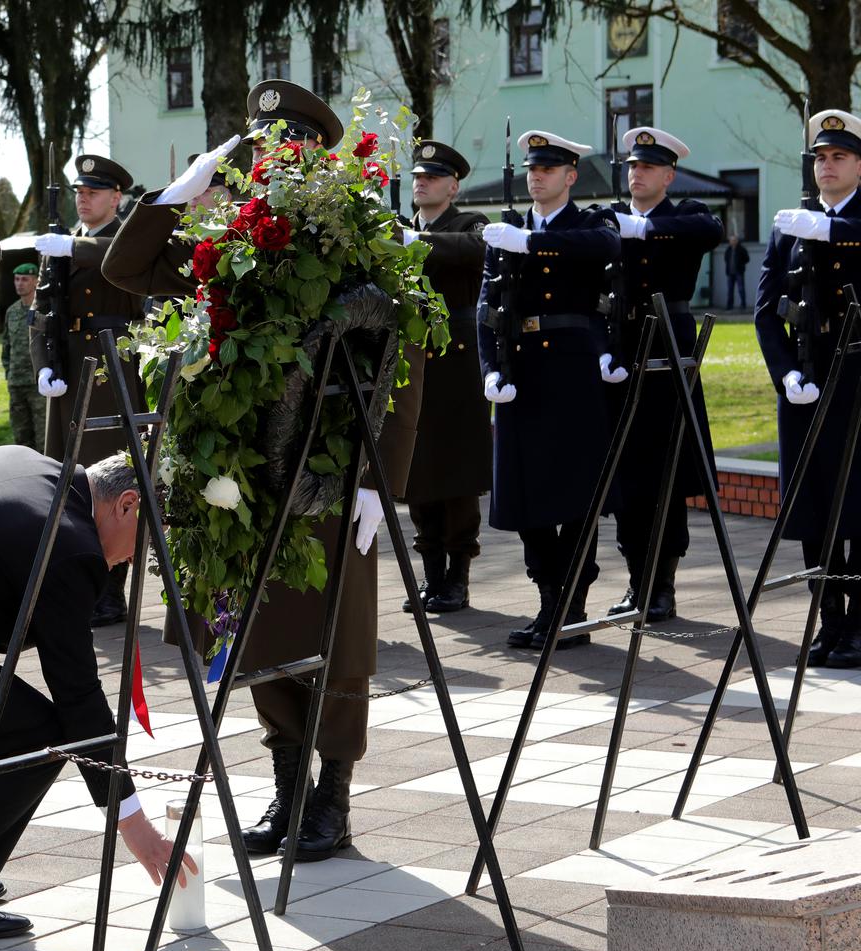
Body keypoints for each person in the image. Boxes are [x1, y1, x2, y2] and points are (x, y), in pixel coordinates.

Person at [102, 81, 421, 863]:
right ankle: (287, 790)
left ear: (315, 153)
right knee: (257, 628)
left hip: (329, 470)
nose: (272, 158)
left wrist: (380, 482)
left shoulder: (358, 231)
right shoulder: (232, 239)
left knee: (335, 635)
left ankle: (332, 798)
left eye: (287, 144)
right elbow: (126, 266)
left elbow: (403, 356)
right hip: (239, 475)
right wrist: (179, 192)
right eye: (260, 145)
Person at [0, 446, 193, 938]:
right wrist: (133, 823)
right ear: (127, 505)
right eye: (143, 543)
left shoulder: (31, 464)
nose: (133, 559)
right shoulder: (70, 544)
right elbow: (78, 695)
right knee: (39, 736)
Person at [478, 129, 621, 650]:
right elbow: (486, 306)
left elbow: (604, 246)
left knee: (577, 493)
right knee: (525, 494)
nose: (536, 177)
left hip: (571, 371)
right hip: (520, 371)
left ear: (570, 175)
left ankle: (571, 605)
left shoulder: (590, 223)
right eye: (532, 170)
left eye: (548, 169)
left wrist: (532, 243)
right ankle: (549, 597)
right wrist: (488, 369)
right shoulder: (508, 229)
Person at [601, 127, 723, 624]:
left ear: (669, 176)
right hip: (621, 345)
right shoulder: (610, 217)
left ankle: (663, 585)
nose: (638, 174)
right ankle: (637, 581)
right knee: (625, 472)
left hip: (669, 346)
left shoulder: (685, 214)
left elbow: (710, 230)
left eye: (648, 167)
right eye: (633, 166)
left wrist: (646, 231)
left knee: (665, 470)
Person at [756, 108, 861, 667]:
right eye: (820, 157)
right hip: (806, 378)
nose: (827, 166)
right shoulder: (790, 224)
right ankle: (830, 619)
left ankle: (858, 624)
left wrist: (833, 231)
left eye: (840, 156)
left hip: (858, 381)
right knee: (812, 505)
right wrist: (785, 373)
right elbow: (765, 309)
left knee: (858, 503)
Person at [30, 152, 148, 625]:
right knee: (69, 480)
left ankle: (111, 588)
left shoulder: (122, 239)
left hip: (110, 371)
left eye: (93, 192)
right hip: (71, 372)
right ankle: (79, 580)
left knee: (111, 481)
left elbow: (123, 258)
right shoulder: (63, 243)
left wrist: (71, 248)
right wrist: (43, 366)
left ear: (116, 198)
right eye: (79, 191)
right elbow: (42, 313)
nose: (83, 199)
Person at [395, 141, 491, 613]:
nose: (422, 183)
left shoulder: (469, 224)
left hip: (456, 362)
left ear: (453, 187)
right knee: (416, 470)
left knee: (457, 471)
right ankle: (431, 572)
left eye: (432, 177)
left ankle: (458, 575)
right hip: (411, 361)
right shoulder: (399, 228)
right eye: (418, 176)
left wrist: (413, 242)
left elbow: (475, 251)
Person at [1, 262, 45, 451]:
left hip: (38, 385)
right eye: (17, 279)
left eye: (25, 279)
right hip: (16, 384)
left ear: (35, 282)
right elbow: (6, 347)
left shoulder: (43, 309)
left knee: (43, 438)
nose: (19, 283)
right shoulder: (11, 311)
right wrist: (9, 373)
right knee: (21, 438)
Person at [724, 234, 750, 309]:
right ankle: (729, 305)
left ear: (737, 241)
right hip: (730, 273)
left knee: (741, 289)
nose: (733, 242)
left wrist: (741, 264)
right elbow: (726, 259)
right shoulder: (728, 250)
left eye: (734, 240)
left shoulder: (741, 249)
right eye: (731, 240)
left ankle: (743, 305)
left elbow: (747, 259)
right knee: (730, 290)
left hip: (739, 272)